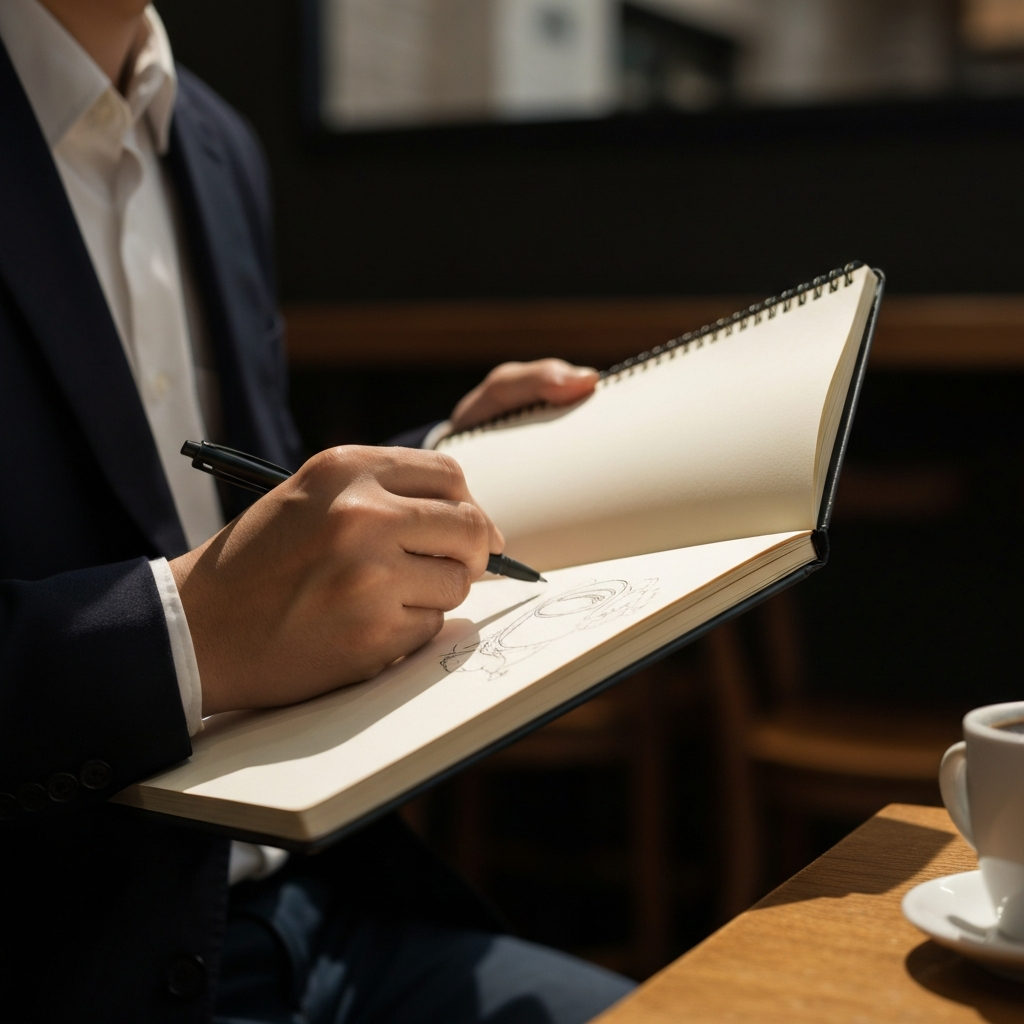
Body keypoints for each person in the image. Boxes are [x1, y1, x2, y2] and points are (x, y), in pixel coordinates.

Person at [0, 1, 635, 1021]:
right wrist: (190, 630)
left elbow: (239, 498)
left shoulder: (217, 144)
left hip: (329, 902)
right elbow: (218, 589)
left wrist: (437, 466)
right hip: (74, 957)